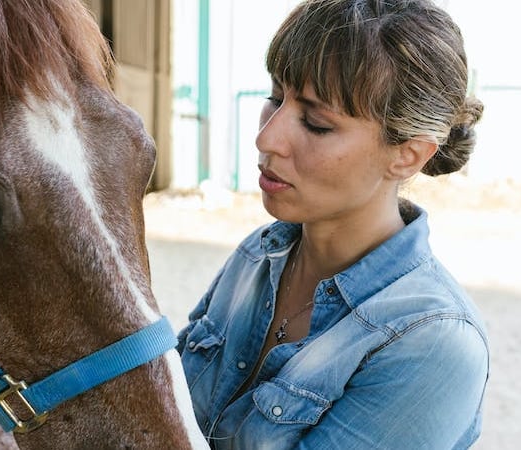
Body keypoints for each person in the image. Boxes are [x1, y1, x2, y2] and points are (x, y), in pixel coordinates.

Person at [176, 0, 489, 448]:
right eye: (274, 97)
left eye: (317, 123)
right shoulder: (258, 255)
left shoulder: (432, 342)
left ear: (408, 154)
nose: (266, 138)